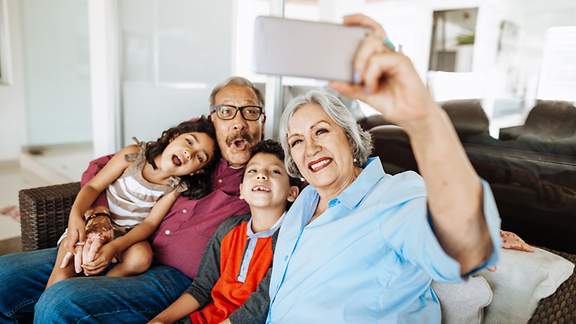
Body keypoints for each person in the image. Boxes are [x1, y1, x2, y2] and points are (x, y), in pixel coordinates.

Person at [266, 14, 502, 323]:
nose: (309, 148)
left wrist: (423, 119)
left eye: (321, 131)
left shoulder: (394, 195)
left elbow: (464, 251)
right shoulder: (302, 205)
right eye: (296, 141)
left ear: (351, 140)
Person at [0, 77, 265, 323]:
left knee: (61, 301)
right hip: (119, 241)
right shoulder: (191, 144)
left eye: (250, 112)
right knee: (4, 276)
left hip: (169, 275)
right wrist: (99, 216)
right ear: (212, 118)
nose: (239, 122)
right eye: (227, 111)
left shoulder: (266, 172)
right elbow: (98, 170)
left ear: (262, 121)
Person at [47, 117, 219, 287]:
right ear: (174, 137)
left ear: (196, 172)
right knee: (62, 272)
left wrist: (115, 247)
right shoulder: (134, 156)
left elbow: (150, 224)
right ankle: (53, 292)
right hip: (93, 223)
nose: (190, 153)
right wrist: (76, 215)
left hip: (124, 234)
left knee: (142, 257)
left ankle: (94, 286)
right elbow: (93, 187)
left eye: (200, 157)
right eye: (189, 142)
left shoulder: (175, 188)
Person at [150, 140, 299, 324]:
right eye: (253, 171)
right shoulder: (228, 229)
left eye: (275, 171)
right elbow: (201, 288)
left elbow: (260, 307)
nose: (261, 176)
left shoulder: (290, 240)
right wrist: (161, 319)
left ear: (292, 193)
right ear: (242, 190)